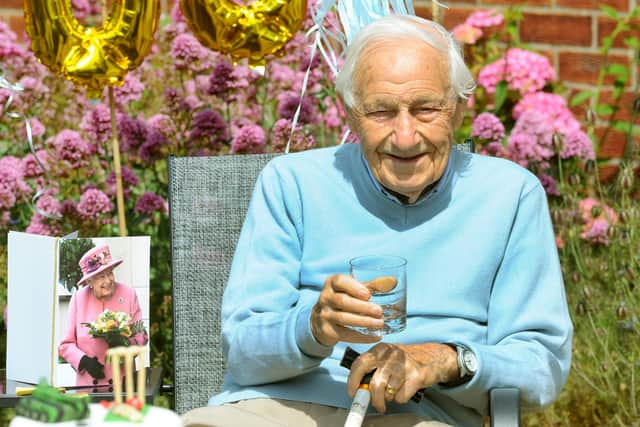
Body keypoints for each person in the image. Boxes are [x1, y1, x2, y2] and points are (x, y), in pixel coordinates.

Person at [183, 14, 573, 427]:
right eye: (381, 112)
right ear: (351, 114)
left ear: (458, 109)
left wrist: (443, 359)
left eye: (426, 109)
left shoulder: (509, 196)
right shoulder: (291, 184)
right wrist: (312, 327)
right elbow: (241, 349)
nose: (405, 136)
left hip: (419, 413)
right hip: (279, 408)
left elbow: (541, 366)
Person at [58, 244, 148, 391]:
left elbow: (142, 335)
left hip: (123, 385)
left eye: (110, 273)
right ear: (89, 281)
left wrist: (126, 346)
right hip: (89, 386)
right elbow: (66, 345)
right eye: (101, 276)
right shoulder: (78, 299)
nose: (108, 280)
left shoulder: (128, 294)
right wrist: (84, 361)